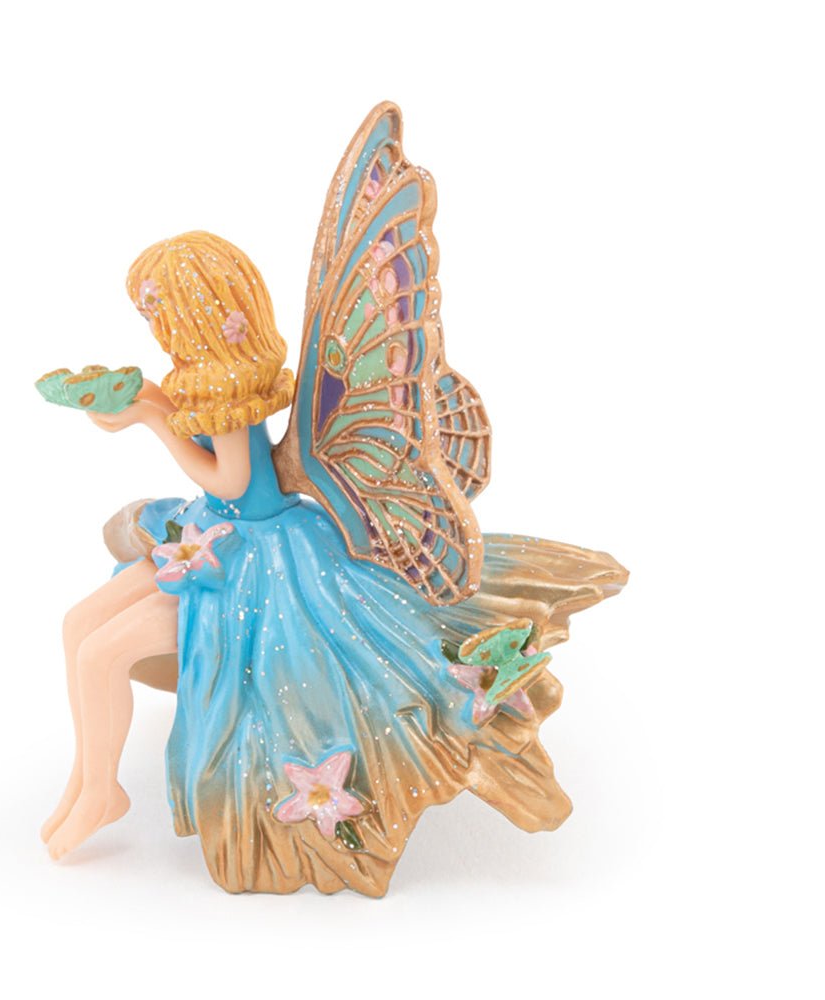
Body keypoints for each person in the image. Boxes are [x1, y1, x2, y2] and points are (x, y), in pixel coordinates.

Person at [40, 229, 627, 896]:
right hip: (212, 536)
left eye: (157, 310)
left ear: (193, 312)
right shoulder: (205, 380)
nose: (154, 324)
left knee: (101, 652)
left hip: (253, 560)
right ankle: (88, 780)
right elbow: (207, 458)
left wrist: (151, 420)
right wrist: (142, 401)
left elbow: (231, 480)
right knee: (77, 624)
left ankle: (100, 790)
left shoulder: (228, 390)